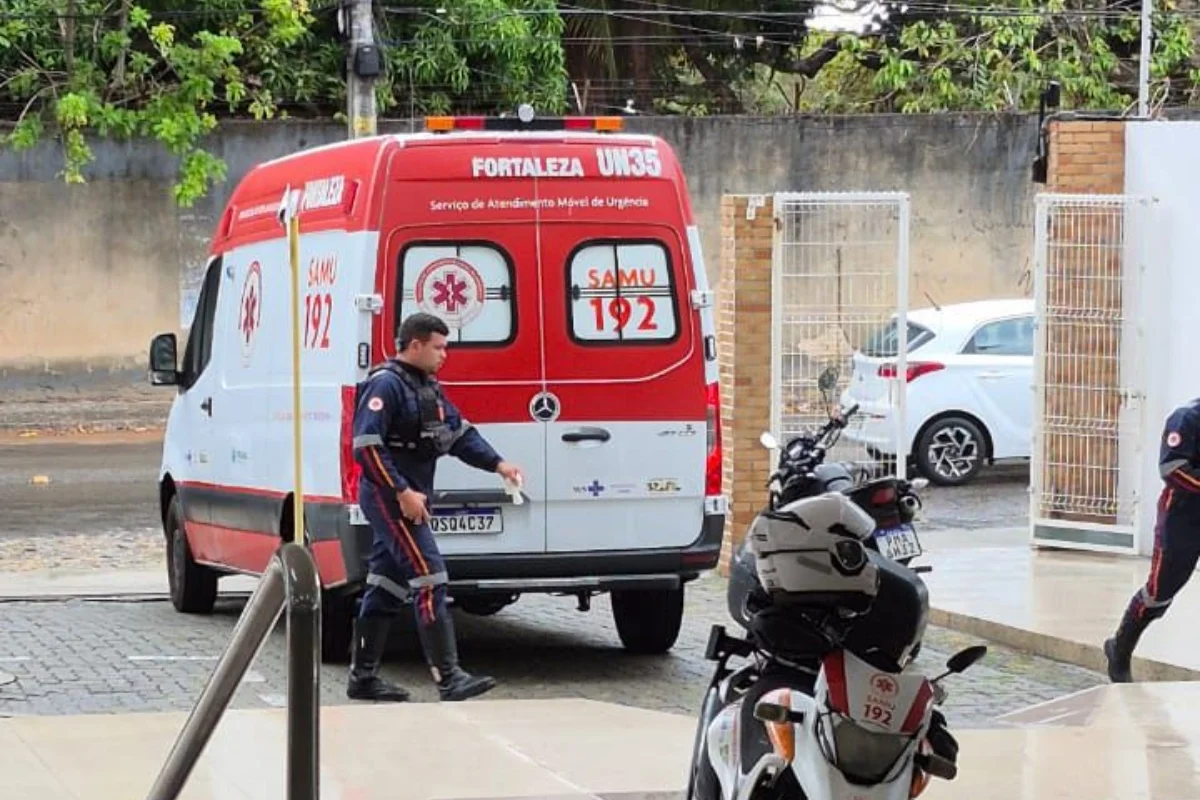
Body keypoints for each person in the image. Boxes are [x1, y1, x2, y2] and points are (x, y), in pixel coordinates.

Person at [347, 312, 524, 702]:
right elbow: (366, 446)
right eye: (439, 347)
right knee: (429, 576)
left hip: (412, 493)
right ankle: (448, 677)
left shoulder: (426, 386)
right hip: (389, 496)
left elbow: (458, 435)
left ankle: (363, 678)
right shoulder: (386, 385)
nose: (445, 355)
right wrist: (402, 492)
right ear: (416, 345)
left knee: (386, 584)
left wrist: (498, 464)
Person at [1104, 397, 1200, 683]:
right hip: (1183, 518)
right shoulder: (1186, 418)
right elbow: (1172, 468)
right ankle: (1119, 649)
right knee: (1159, 593)